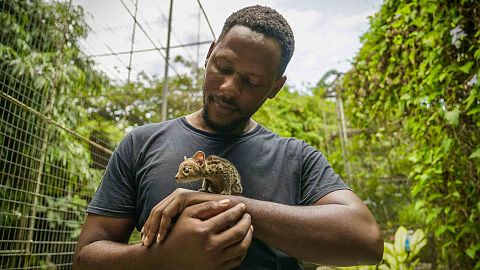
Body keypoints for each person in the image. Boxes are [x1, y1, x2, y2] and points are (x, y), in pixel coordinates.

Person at [73, 5, 383, 270]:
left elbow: (366, 241)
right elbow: (85, 258)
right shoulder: (140, 143)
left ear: (275, 87)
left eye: (251, 81)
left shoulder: (297, 158)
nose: (229, 88)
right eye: (223, 67)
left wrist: (220, 203)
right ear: (209, 54)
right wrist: (159, 258)